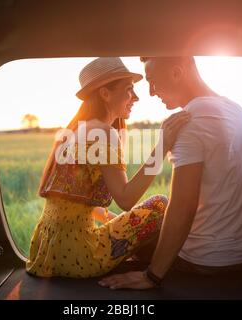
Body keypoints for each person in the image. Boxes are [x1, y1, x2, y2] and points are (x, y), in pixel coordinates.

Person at [99, 56, 242, 290]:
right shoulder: (234, 108)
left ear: (177, 73)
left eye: (153, 82)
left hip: (207, 259)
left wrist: (152, 276)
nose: (150, 92)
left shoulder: (188, 121)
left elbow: (183, 206)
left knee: (134, 230)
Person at [25, 57, 190, 278]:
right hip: (81, 256)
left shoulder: (74, 132)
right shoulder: (103, 132)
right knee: (160, 204)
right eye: (129, 89)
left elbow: (81, 204)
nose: (136, 97)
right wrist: (162, 147)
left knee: (126, 219)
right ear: (105, 93)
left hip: (46, 255)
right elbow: (126, 200)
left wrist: (117, 220)